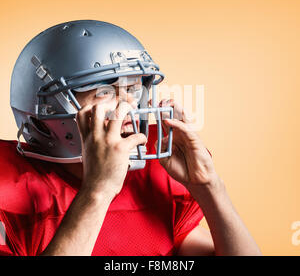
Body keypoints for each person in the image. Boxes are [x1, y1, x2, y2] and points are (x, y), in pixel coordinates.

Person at [0, 20, 261, 256]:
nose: (129, 105)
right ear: (43, 113)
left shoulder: (152, 172)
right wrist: (97, 192)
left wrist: (209, 186)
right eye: (103, 91)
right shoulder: (9, 186)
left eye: (133, 88)